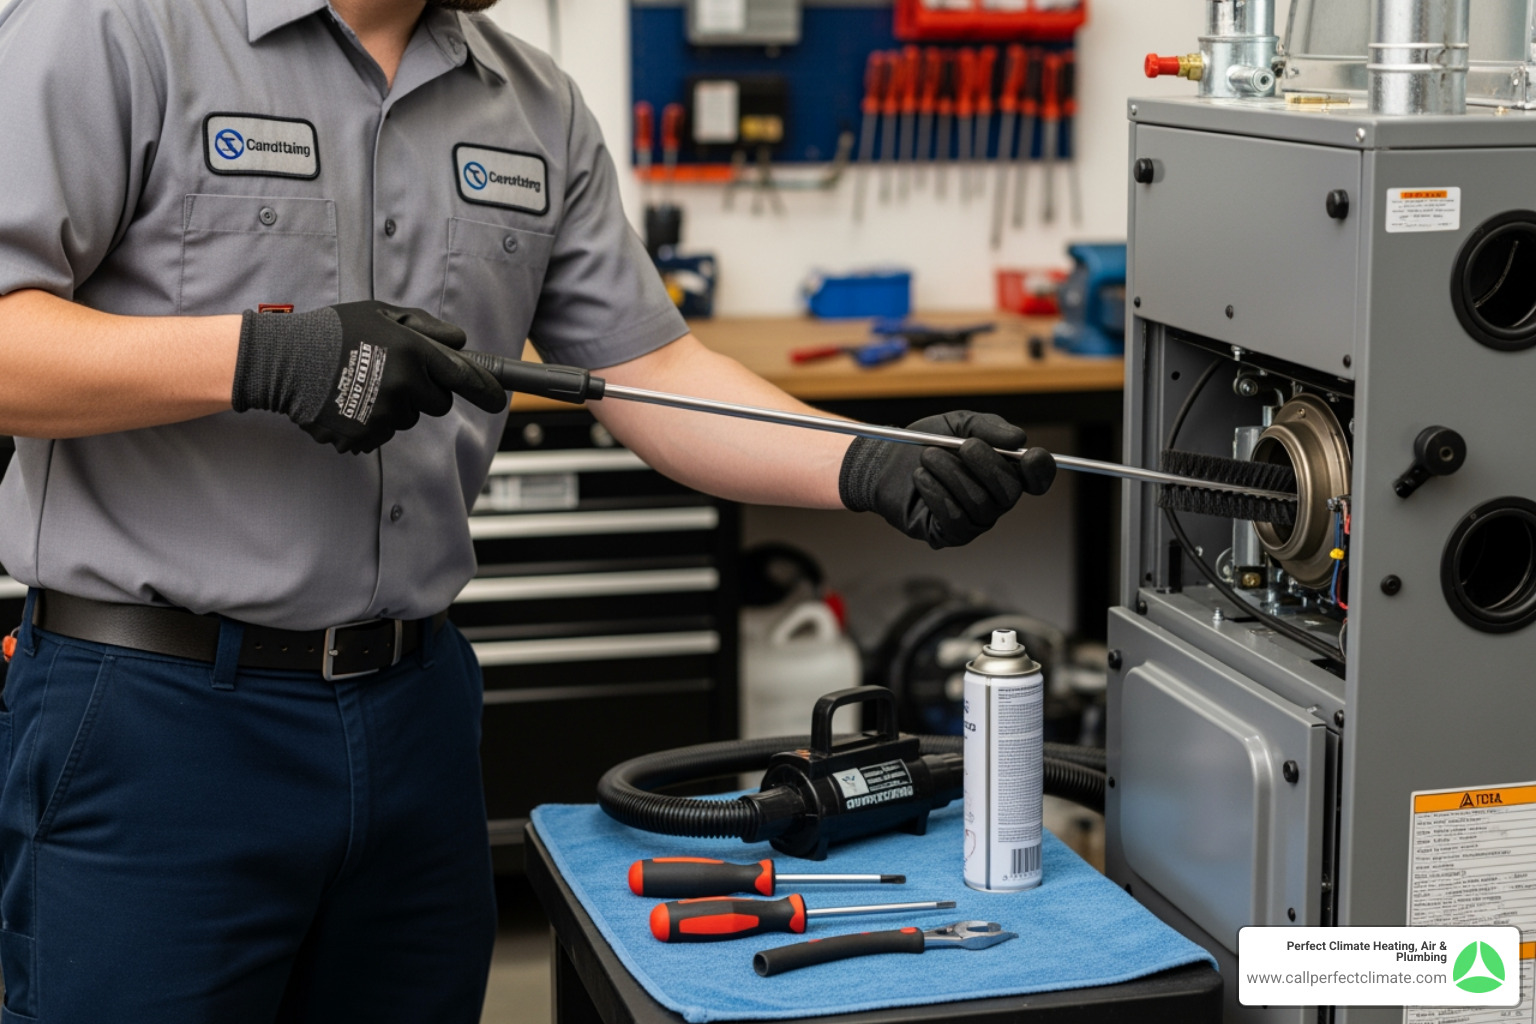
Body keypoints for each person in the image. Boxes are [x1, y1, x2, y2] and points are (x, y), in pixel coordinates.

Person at [0, 0, 1055, 1020]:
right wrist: (261, 356)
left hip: (413, 718)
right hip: (153, 718)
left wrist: (871, 459)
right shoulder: (113, 26)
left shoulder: (533, 105)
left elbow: (653, 371)